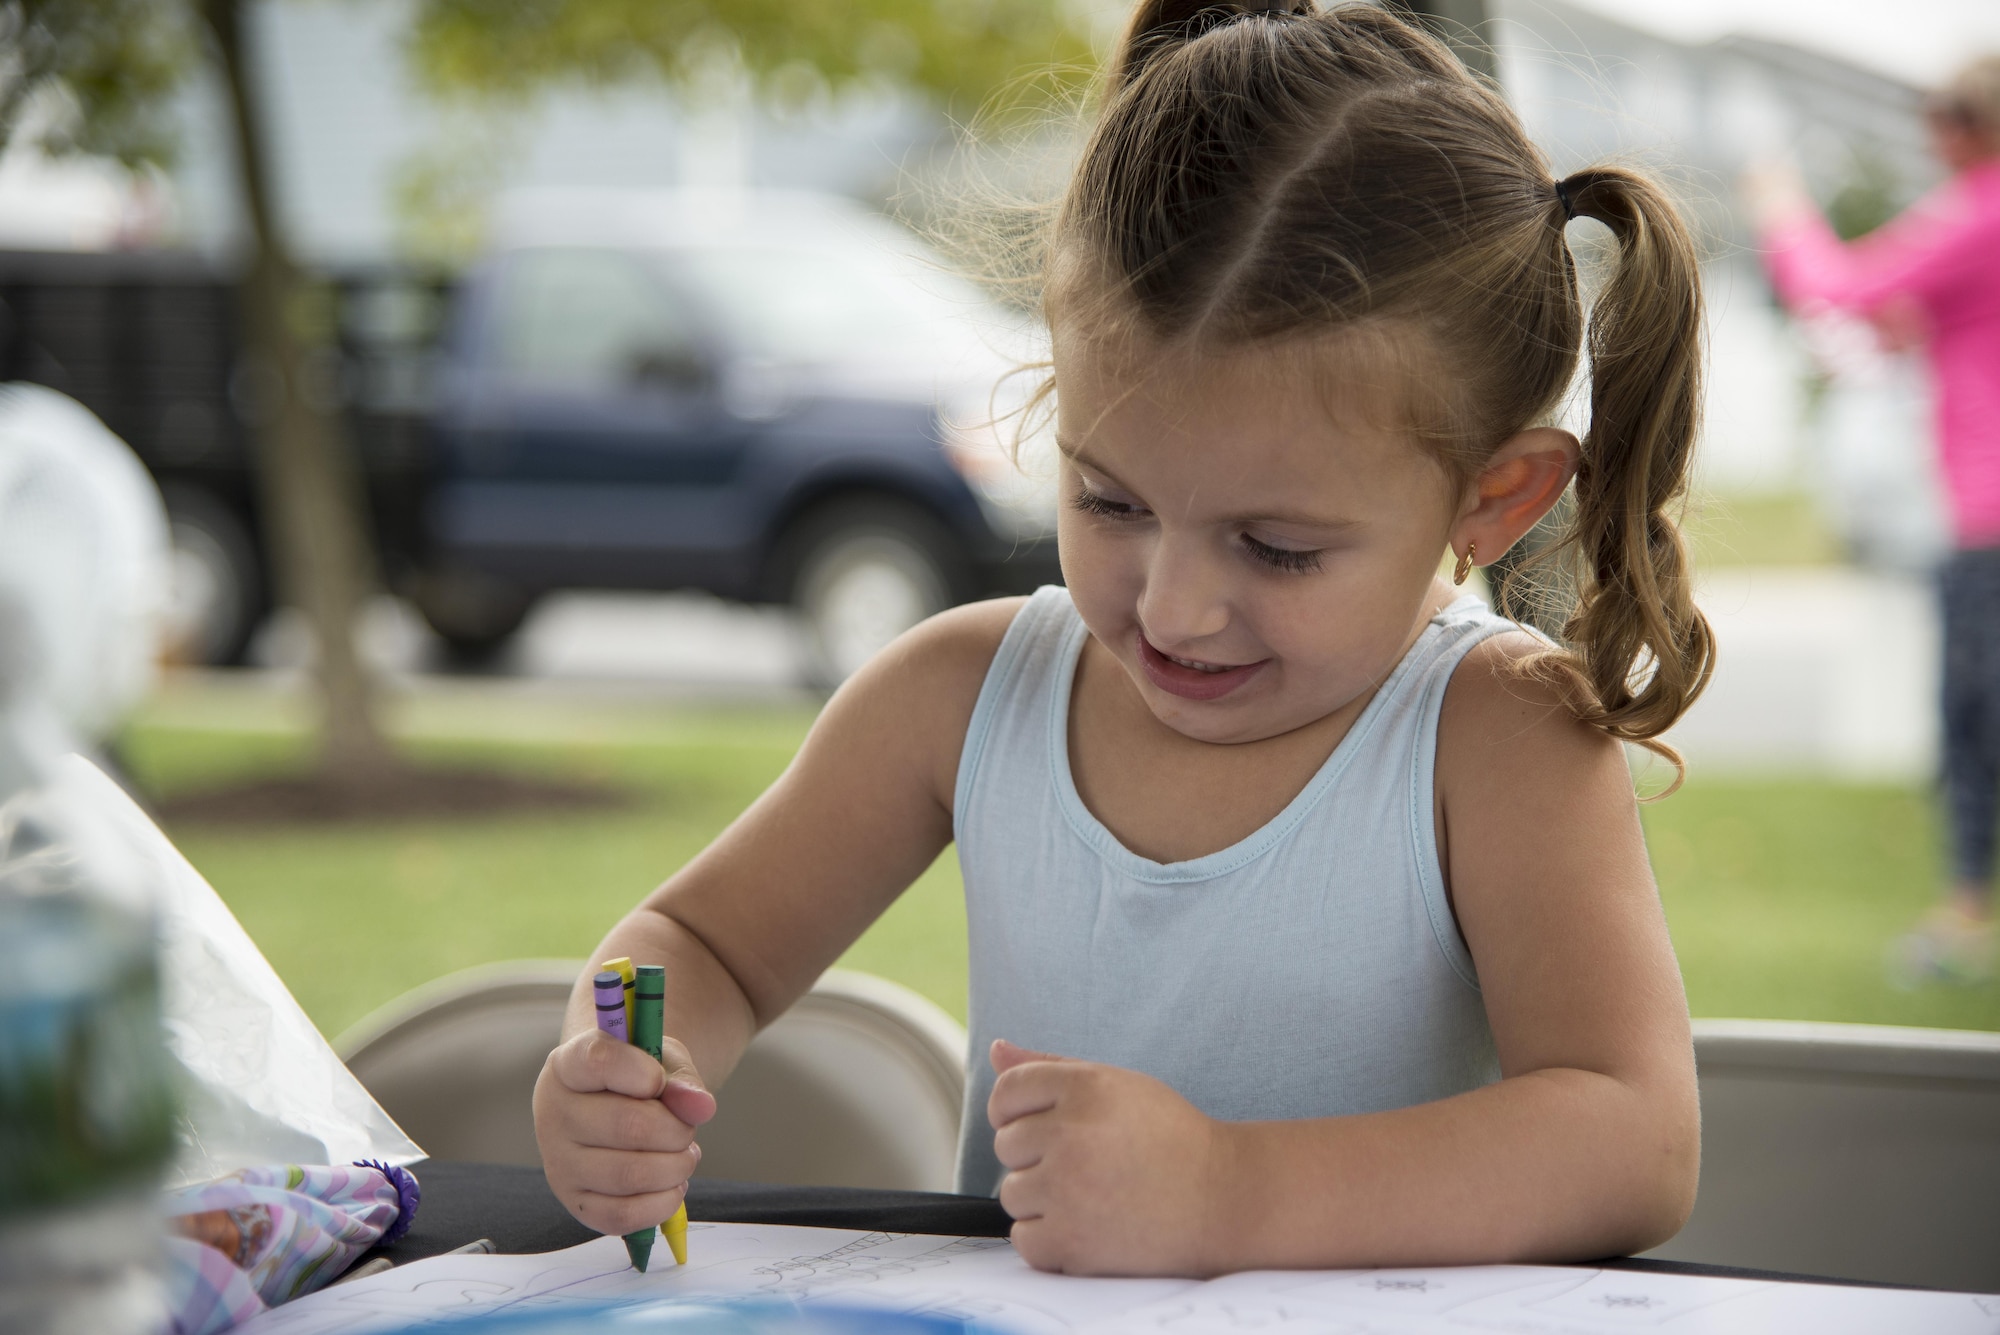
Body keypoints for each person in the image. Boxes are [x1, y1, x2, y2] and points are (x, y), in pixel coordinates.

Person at [532, 1, 1713, 1276]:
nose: (1170, 609)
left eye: (1276, 548)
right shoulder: (958, 696)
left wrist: (1232, 1195)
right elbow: (699, 943)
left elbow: (1631, 1140)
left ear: (1493, 496)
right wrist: (618, 1060)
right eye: (1110, 503)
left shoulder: (1493, 738)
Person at [1748, 57, 2000, 986]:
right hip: (1978, 520)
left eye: (1950, 115)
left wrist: (1780, 208)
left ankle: (1964, 916)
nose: (1938, 134)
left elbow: (1840, 291)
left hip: (1989, 526)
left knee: (1974, 723)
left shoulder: (1979, 211)